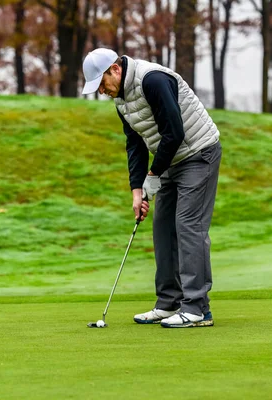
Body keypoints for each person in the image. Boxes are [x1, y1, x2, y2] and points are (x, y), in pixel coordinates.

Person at [81, 48, 222, 328]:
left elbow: (175, 132)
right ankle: (169, 302)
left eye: (101, 84)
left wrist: (154, 173)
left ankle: (196, 309)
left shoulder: (153, 79)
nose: (101, 91)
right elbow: (134, 144)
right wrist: (137, 190)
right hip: (169, 158)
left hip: (198, 153)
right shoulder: (121, 100)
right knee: (162, 228)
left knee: (188, 226)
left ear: (115, 70)